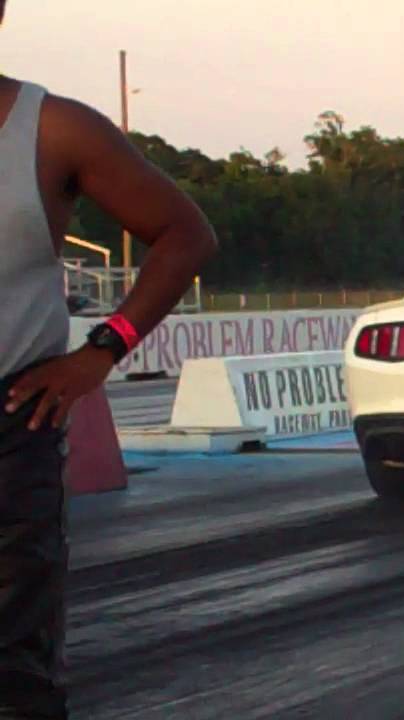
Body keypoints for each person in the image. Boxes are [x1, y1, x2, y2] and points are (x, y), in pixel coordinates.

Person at [0, 2, 218, 716]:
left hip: (8, 428)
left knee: (14, 666)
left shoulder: (52, 129)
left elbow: (184, 235)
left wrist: (101, 351)